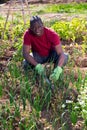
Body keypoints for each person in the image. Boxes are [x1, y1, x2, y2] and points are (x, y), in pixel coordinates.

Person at [23, 16, 68, 82]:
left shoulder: (52, 34)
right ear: (30, 28)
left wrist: (58, 69)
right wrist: (37, 65)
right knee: (26, 63)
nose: (37, 30)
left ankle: (55, 74)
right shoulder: (28, 34)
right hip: (38, 56)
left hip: (51, 55)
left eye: (39, 27)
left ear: (43, 25)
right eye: (33, 28)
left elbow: (60, 53)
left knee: (65, 57)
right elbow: (25, 53)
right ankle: (36, 77)